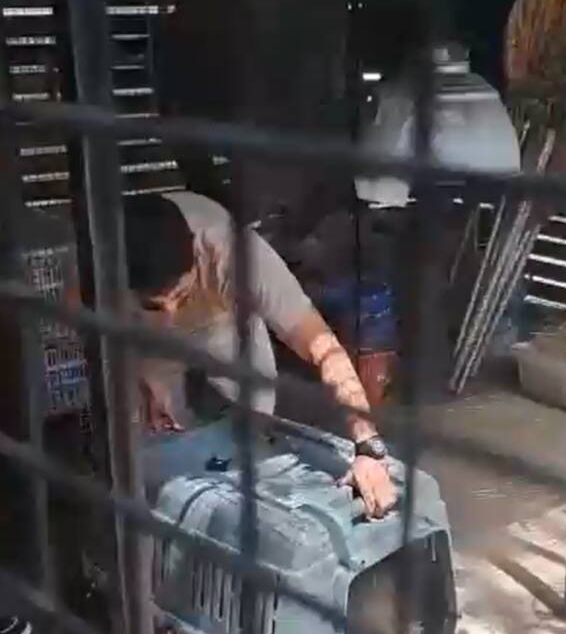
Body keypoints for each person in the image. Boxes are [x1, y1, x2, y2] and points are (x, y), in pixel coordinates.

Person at [125, 190, 398, 518]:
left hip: (220, 318)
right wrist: (139, 375)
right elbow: (90, 328)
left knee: (256, 421)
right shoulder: (96, 259)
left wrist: (368, 447)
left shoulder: (239, 258)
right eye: (156, 304)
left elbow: (325, 349)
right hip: (142, 333)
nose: (170, 315)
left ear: (199, 255)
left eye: (180, 297)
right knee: (158, 439)